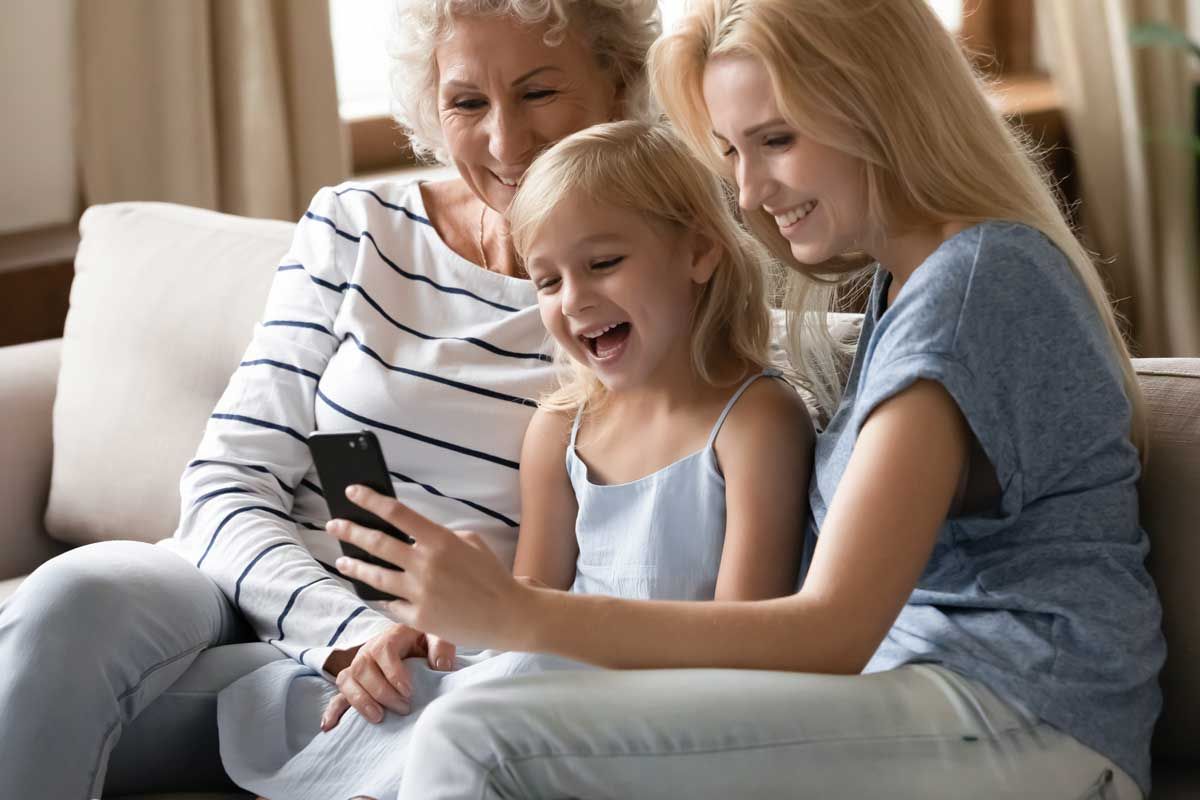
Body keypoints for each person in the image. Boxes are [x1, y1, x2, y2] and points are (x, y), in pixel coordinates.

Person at [326, 1, 1166, 798]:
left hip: (1025, 717)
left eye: (776, 140)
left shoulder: (974, 283)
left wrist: (517, 612)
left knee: (476, 739)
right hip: (927, 702)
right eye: (731, 151)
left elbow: (829, 633)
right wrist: (474, 630)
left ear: (878, 107)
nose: (750, 193)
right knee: (479, 718)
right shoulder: (910, 285)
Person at [0, 1, 660, 797]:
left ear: (618, 87)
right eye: (467, 102)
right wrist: (345, 633)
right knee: (75, 596)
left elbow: (622, 562)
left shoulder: (639, 285)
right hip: (255, 593)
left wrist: (410, 644)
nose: (504, 141)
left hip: (445, 659)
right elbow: (226, 484)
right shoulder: (358, 226)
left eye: (539, 92)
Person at [217, 118, 813, 800]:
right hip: (545, 683)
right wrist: (433, 621)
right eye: (547, 280)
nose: (575, 300)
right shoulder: (561, 427)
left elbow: (748, 646)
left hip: (660, 714)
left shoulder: (756, 422)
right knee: (397, 704)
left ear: (700, 252)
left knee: (481, 719)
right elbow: (523, 613)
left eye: (604, 263)